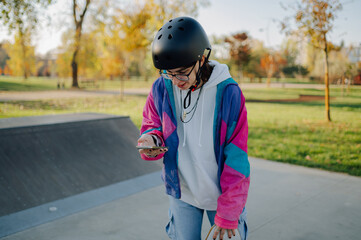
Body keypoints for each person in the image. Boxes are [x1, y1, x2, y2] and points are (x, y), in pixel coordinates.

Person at [137, 16, 250, 240]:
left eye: (181, 72)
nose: (175, 80)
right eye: (168, 72)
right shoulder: (162, 87)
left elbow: (237, 157)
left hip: (221, 196)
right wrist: (151, 140)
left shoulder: (228, 94)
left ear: (201, 58)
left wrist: (229, 210)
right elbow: (152, 124)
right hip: (183, 192)